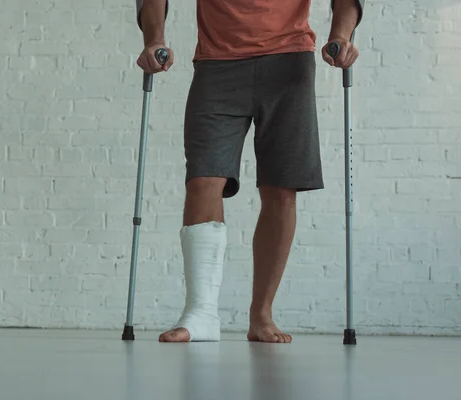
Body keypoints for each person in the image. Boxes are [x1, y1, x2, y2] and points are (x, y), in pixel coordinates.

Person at [135, 0, 363, 343]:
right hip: (217, 64)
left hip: (289, 62)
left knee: (281, 187)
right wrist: (154, 39)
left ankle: (261, 315)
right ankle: (201, 315)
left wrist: (341, 34)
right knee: (203, 178)